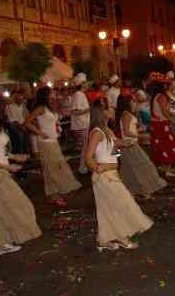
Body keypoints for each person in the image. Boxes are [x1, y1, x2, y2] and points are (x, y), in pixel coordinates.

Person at [86, 100, 153, 252]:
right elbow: (88, 158)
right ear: (101, 112)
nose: (113, 110)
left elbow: (114, 148)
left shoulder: (106, 130)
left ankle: (103, 240)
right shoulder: (97, 132)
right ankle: (122, 237)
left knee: (107, 208)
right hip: (104, 176)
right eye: (109, 108)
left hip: (111, 174)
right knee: (123, 204)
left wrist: (125, 144)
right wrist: (99, 168)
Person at [0, 101, 42, 257]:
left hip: (0, 173)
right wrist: (8, 167)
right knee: (17, 205)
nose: (5, 111)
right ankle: (2, 244)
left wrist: (14, 157)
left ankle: (3, 243)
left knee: (1, 210)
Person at [26, 87, 82, 206]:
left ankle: (53, 194)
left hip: (53, 140)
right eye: (51, 93)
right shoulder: (40, 108)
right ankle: (59, 191)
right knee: (55, 166)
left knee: (50, 168)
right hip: (45, 142)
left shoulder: (50, 107)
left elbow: (56, 119)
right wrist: (40, 132)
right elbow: (27, 122)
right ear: (45, 95)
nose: (53, 94)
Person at [117, 95, 167, 198]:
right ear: (127, 103)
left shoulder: (126, 114)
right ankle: (144, 190)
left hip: (129, 145)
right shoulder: (126, 115)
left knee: (130, 170)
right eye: (132, 101)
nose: (134, 103)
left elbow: (127, 130)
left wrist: (139, 130)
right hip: (130, 145)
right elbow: (126, 131)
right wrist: (140, 135)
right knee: (141, 167)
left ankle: (133, 191)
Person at [71, 73, 90, 175]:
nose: (87, 84)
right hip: (82, 125)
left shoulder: (80, 94)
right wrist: (89, 109)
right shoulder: (78, 95)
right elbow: (75, 111)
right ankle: (82, 167)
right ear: (82, 84)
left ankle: (85, 166)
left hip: (83, 124)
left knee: (85, 147)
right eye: (86, 82)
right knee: (85, 147)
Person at [5, 90, 29, 156]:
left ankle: (25, 154)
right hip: (14, 125)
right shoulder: (9, 107)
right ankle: (19, 154)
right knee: (20, 136)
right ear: (15, 99)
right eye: (19, 98)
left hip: (23, 125)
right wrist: (19, 125)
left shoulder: (23, 107)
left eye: (22, 98)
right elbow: (10, 119)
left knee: (26, 137)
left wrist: (24, 125)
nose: (21, 100)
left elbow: (27, 116)